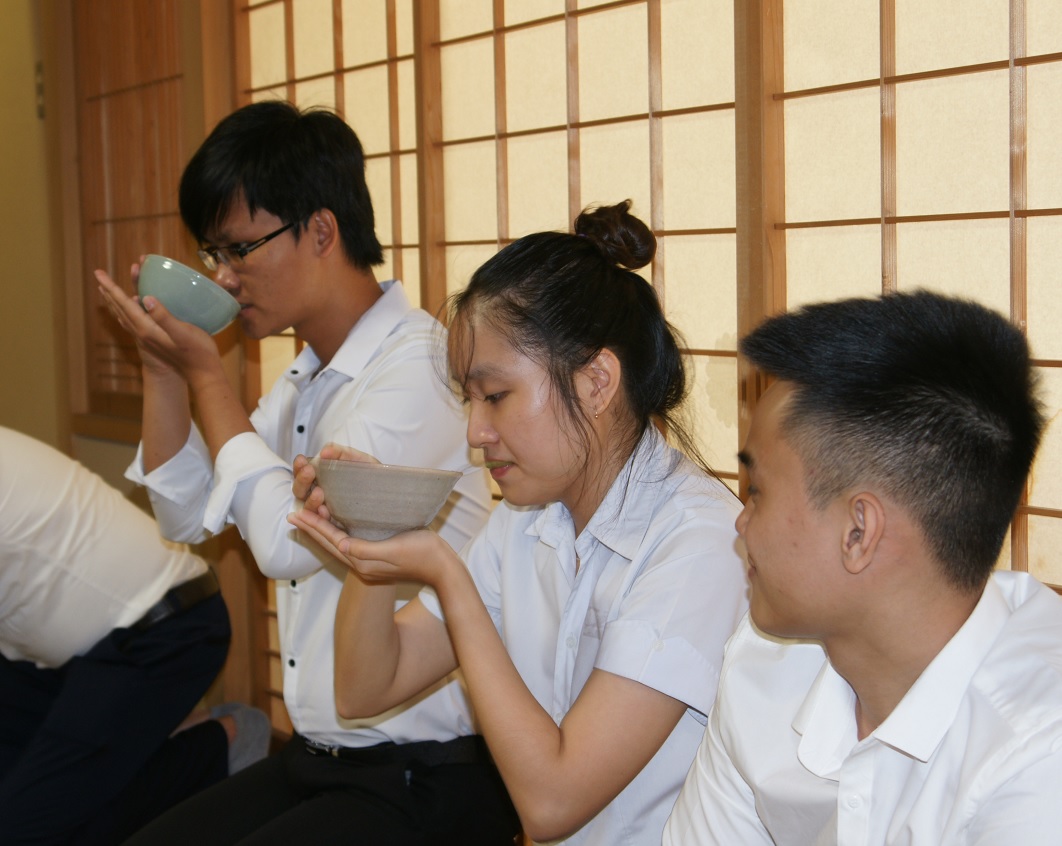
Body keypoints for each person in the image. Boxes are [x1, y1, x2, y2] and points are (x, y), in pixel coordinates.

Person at [96, 100, 512, 846]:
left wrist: (209, 380)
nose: (224, 276)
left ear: (321, 230)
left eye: (239, 249)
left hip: (423, 771)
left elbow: (289, 543)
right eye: (212, 255)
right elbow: (186, 514)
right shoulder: (304, 378)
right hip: (323, 757)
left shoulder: (420, 368)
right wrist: (166, 370)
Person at [289, 200, 749, 845]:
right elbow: (366, 689)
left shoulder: (698, 544)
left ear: (596, 382)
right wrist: (371, 526)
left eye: (496, 396)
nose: (477, 433)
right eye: (469, 399)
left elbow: (553, 802)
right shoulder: (528, 519)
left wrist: (450, 577)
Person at [663, 290, 1062, 844]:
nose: (740, 523)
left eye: (757, 491)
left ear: (859, 532)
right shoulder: (762, 664)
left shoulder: (1041, 749)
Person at [0, 424, 268, 845]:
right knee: (28, 792)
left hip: (164, 633)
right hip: (64, 652)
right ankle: (139, 744)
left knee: (23, 832)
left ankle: (217, 745)